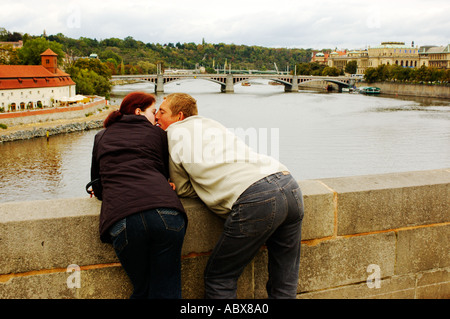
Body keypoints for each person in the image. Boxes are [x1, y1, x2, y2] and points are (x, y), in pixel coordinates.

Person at [155, 93, 304, 299]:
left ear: (179, 117)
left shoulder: (172, 133)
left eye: (162, 112)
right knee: (285, 280)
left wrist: (205, 185)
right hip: (288, 183)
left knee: (220, 278)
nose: (156, 116)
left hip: (256, 197)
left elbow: (182, 189)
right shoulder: (213, 124)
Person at [90, 92, 187, 299]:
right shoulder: (159, 135)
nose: (157, 118)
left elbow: (98, 186)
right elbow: (165, 173)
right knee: (167, 289)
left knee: (142, 289)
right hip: (166, 212)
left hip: (123, 217)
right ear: (138, 112)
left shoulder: (101, 136)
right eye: (154, 112)